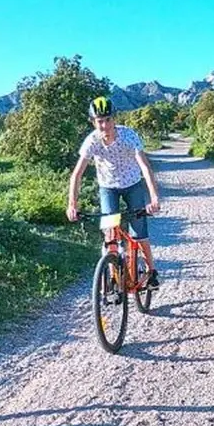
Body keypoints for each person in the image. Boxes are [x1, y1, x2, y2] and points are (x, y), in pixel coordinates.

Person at [66, 96, 162, 287]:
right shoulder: (91, 141)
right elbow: (77, 174)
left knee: (139, 233)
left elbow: (144, 167)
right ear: (93, 122)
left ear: (114, 119)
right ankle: (112, 277)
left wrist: (154, 197)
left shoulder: (128, 136)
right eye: (100, 121)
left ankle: (151, 271)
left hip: (132, 184)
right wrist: (72, 205)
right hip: (108, 188)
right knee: (110, 233)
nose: (105, 125)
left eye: (108, 119)